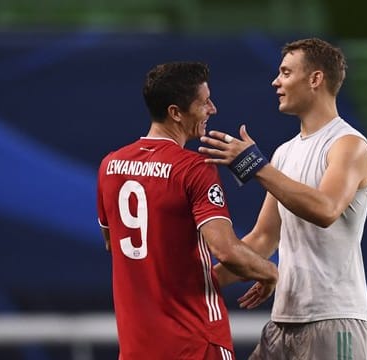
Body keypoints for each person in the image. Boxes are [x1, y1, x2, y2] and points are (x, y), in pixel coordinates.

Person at [199, 38, 367, 359]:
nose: (275, 81)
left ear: (315, 79)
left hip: (333, 320)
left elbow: (326, 209)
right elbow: (263, 238)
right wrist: (199, 285)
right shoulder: (285, 152)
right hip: (283, 320)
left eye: (285, 72)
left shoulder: (349, 145)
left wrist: (257, 166)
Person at [96, 62, 278, 360]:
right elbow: (227, 250)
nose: (213, 109)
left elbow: (111, 242)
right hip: (195, 341)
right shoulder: (193, 168)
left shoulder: (110, 166)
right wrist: (273, 274)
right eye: (204, 102)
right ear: (175, 113)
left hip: (136, 346)